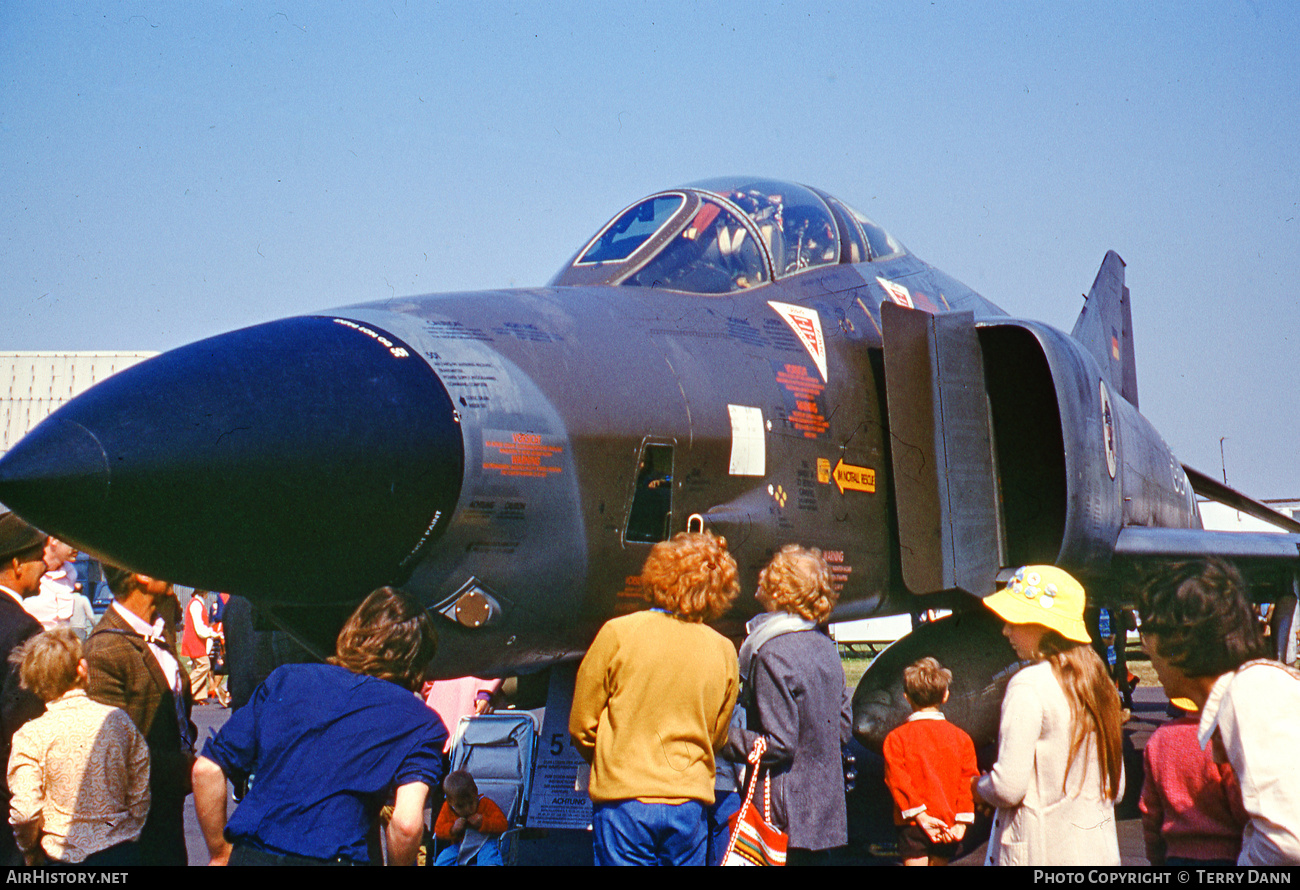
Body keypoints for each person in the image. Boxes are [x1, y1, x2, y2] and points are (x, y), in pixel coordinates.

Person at [193, 586, 447, 866]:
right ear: (418, 656)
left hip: (251, 854)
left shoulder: (286, 680)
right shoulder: (420, 722)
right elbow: (406, 825)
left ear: (354, 630)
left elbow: (207, 769)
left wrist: (219, 853)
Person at [569, 531, 740, 867]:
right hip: (690, 802)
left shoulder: (618, 632)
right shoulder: (723, 649)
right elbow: (718, 735)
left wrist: (611, 758)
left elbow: (581, 725)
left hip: (624, 802)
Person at [1136, 558, 1300, 865]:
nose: (1146, 650)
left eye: (1149, 632)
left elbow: (1288, 842)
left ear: (1179, 640)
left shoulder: (1248, 694)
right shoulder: (1248, 690)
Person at [973, 565, 1124, 866]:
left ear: (1043, 625)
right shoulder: (1100, 683)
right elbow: (1116, 788)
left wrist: (978, 788)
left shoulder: (1028, 685)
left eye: (1014, 620)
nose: (1006, 630)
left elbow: (1008, 786)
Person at [722, 544, 851, 864]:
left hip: (783, 814)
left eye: (770, 572)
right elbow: (843, 727)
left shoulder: (772, 653)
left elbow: (778, 744)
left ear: (781, 590)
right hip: (825, 812)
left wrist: (723, 736)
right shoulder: (825, 647)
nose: (761, 576)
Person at [84, 566, 196, 866]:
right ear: (142, 576)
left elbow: (175, 707)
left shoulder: (157, 630)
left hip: (167, 805)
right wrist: (189, 768)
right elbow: (115, 753)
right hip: (134, 823)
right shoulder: (104, 649)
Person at [7, 629, 149, 865]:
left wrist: (29, 849)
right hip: (118, 849)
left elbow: (25, 811)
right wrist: (129, 828)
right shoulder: (117, 720)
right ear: (81, 668)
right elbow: (140, 790)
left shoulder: (30, 735)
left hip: (60, 853)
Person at [882, 656, 979, 866]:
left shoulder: (896, 738)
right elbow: (968, 781)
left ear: (906, 697)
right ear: (945, 696)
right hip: (947, 822)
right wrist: (961, 823)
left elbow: (898, 781)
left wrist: (922, 816)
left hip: (912, 823)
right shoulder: (962, 738)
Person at [1138, 698, 1247, 866]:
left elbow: (1150, 810)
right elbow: (1241, 807)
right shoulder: (1224, 738)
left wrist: (1155, 856)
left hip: (1175, 854)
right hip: (1229, 854)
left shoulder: (1159, 739)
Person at [0, 513, 51, 866]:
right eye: (38, 557)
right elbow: (21, 723)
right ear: (17, 564)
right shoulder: (24, 630)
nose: (45, 566)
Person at [23, 538, 95, 641]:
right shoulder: (26, 569)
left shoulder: (70, 573)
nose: (78, 548)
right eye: (72, 541)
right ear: (54, 540)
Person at [433, 770, 508, 866]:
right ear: (450, 802)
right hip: (459, 844)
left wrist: (483, 822)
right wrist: (453, 829)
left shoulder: (485, 804)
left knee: (489, 854)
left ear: (476, 792)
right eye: (460, 806)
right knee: (444, 858)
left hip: (485, 843)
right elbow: (438, 830)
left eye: (471, 803)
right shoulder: (447, 808)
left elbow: (503, 824)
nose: (468, 809)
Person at [181, 589, 224, 706]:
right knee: (204, 665)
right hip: (194, 640)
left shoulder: (197, 603)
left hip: (198, 641)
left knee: (198, 666)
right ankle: (186, 692)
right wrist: (212, 633)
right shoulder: (196, 604)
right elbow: (199, 628)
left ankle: (198, 696)